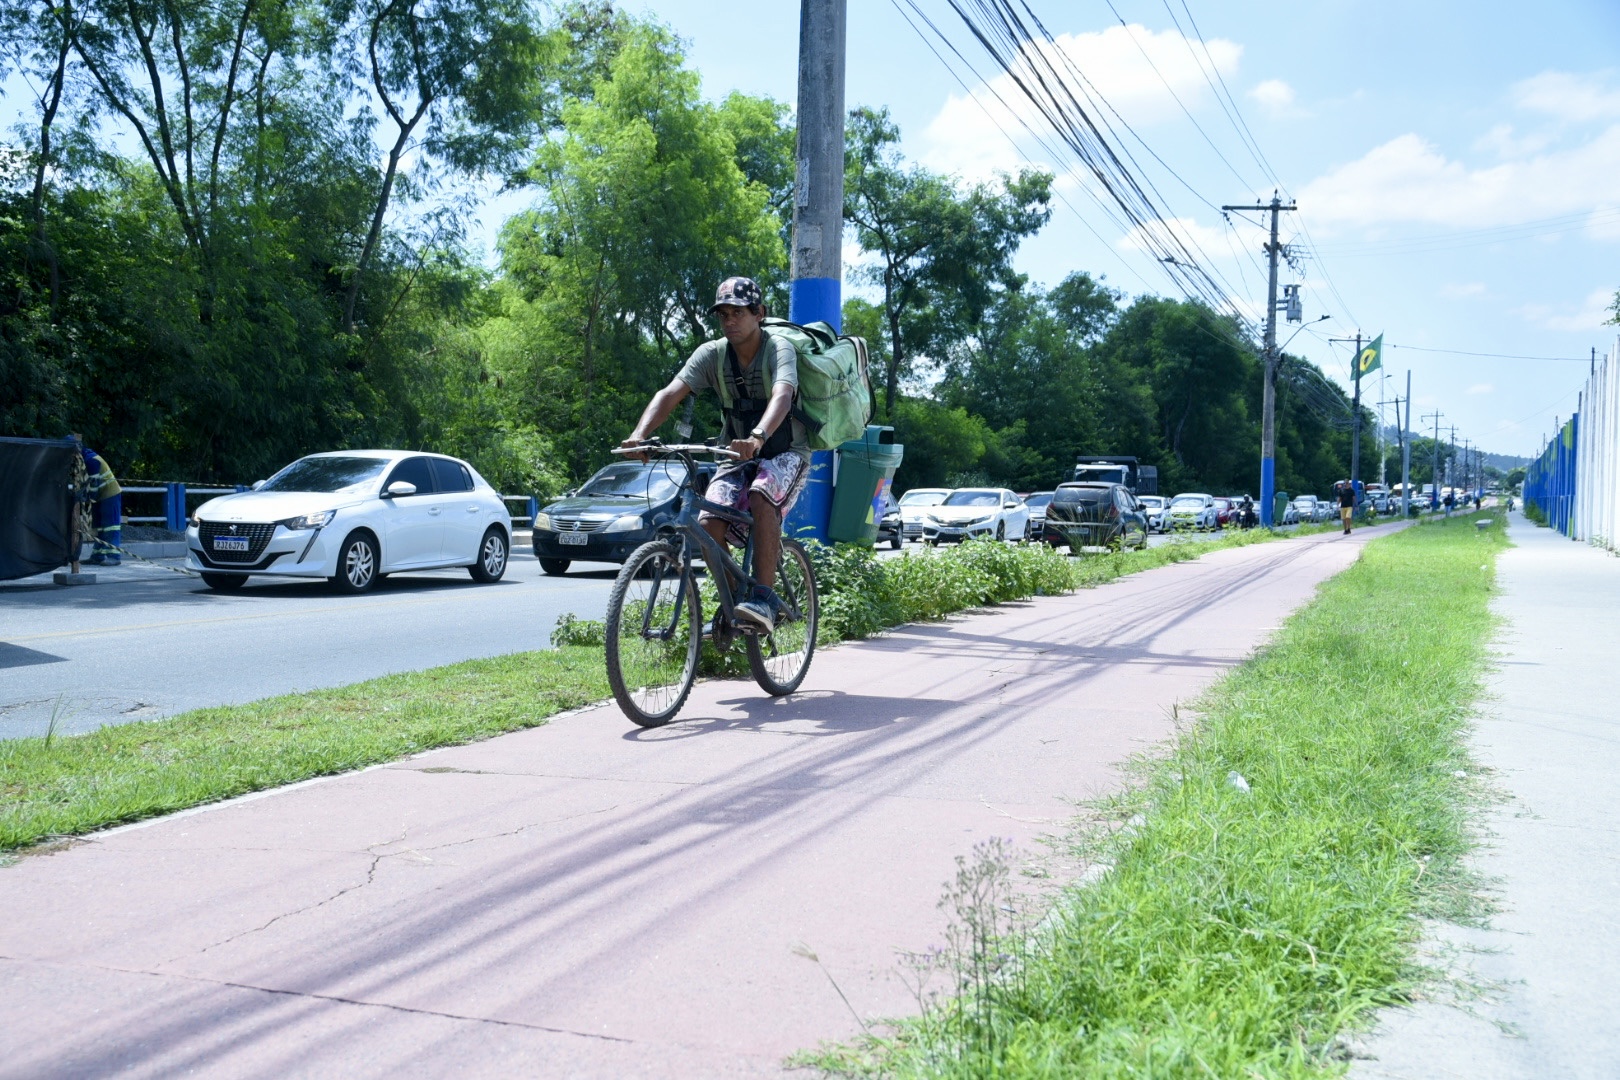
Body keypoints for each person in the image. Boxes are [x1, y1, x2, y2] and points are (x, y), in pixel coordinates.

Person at [622, 277, 808, 632]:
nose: (729, 321)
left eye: (737, 312)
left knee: (761, 495)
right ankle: (738, 601)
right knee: (707, 523)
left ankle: (765, 599)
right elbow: (670, 393)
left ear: (759, 314)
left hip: (785, 451)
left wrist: (756, 437)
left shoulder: (778, 348)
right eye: (723, 314)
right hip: (734, 453)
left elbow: (782, 395)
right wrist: (639, 436)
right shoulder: (712, 354)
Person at [75, 438, 123, 565]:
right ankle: (98, 555)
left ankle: (114, 556)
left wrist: (89, 499)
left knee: (110, 526)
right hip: (102, 495)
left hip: (109, 494)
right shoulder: (86, 459)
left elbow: (94, 485)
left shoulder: (91, 461)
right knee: (100, 527)